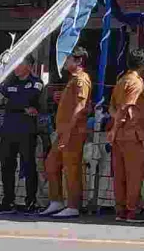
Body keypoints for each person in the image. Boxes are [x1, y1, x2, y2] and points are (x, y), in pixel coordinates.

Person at [41, 47, 91, 218]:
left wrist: (68, 132)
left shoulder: (81, 79)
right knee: (51, 164)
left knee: (71, 168)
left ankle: (73, 205)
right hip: (64, 131)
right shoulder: (73, 80)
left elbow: (80, 106)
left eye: (68, 58)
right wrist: (61, 97)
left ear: (79, 61)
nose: (65, 61)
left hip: (73, 131)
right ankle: (56, 201)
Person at [108, 48, 144, 223]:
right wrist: (116, 126)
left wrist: (115, 127)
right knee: (134, 175)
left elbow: (112, 108)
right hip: (132, 134)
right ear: (143, 64)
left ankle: (120, 210)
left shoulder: (121, 81)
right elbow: (125, 108)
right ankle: (132, 211)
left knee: (119, 175)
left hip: (119, 135)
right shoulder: (136, 83)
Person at [0, 55, 45, 214]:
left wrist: (13, 102)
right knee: (6, 166)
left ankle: (30, 201)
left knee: (28, 165)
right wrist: (22, 106)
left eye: (19, 64)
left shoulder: (36, 82)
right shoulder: (9, 81)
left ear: (29, 66)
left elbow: (29, 98)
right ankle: (8, 201)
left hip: (26, 131)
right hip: (8, 130)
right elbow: (10, 97)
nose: (15, 68)